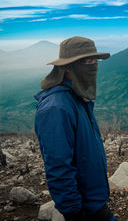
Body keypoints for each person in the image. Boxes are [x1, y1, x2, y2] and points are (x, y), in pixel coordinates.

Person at [34, 36, 117, 221]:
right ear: (68, 67)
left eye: (95, 61)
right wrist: (74, 212)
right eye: (86, 61)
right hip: (83, 208)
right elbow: (58, 167)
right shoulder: (56, 107)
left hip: (95, 201)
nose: (92, 66)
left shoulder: (78, 98)